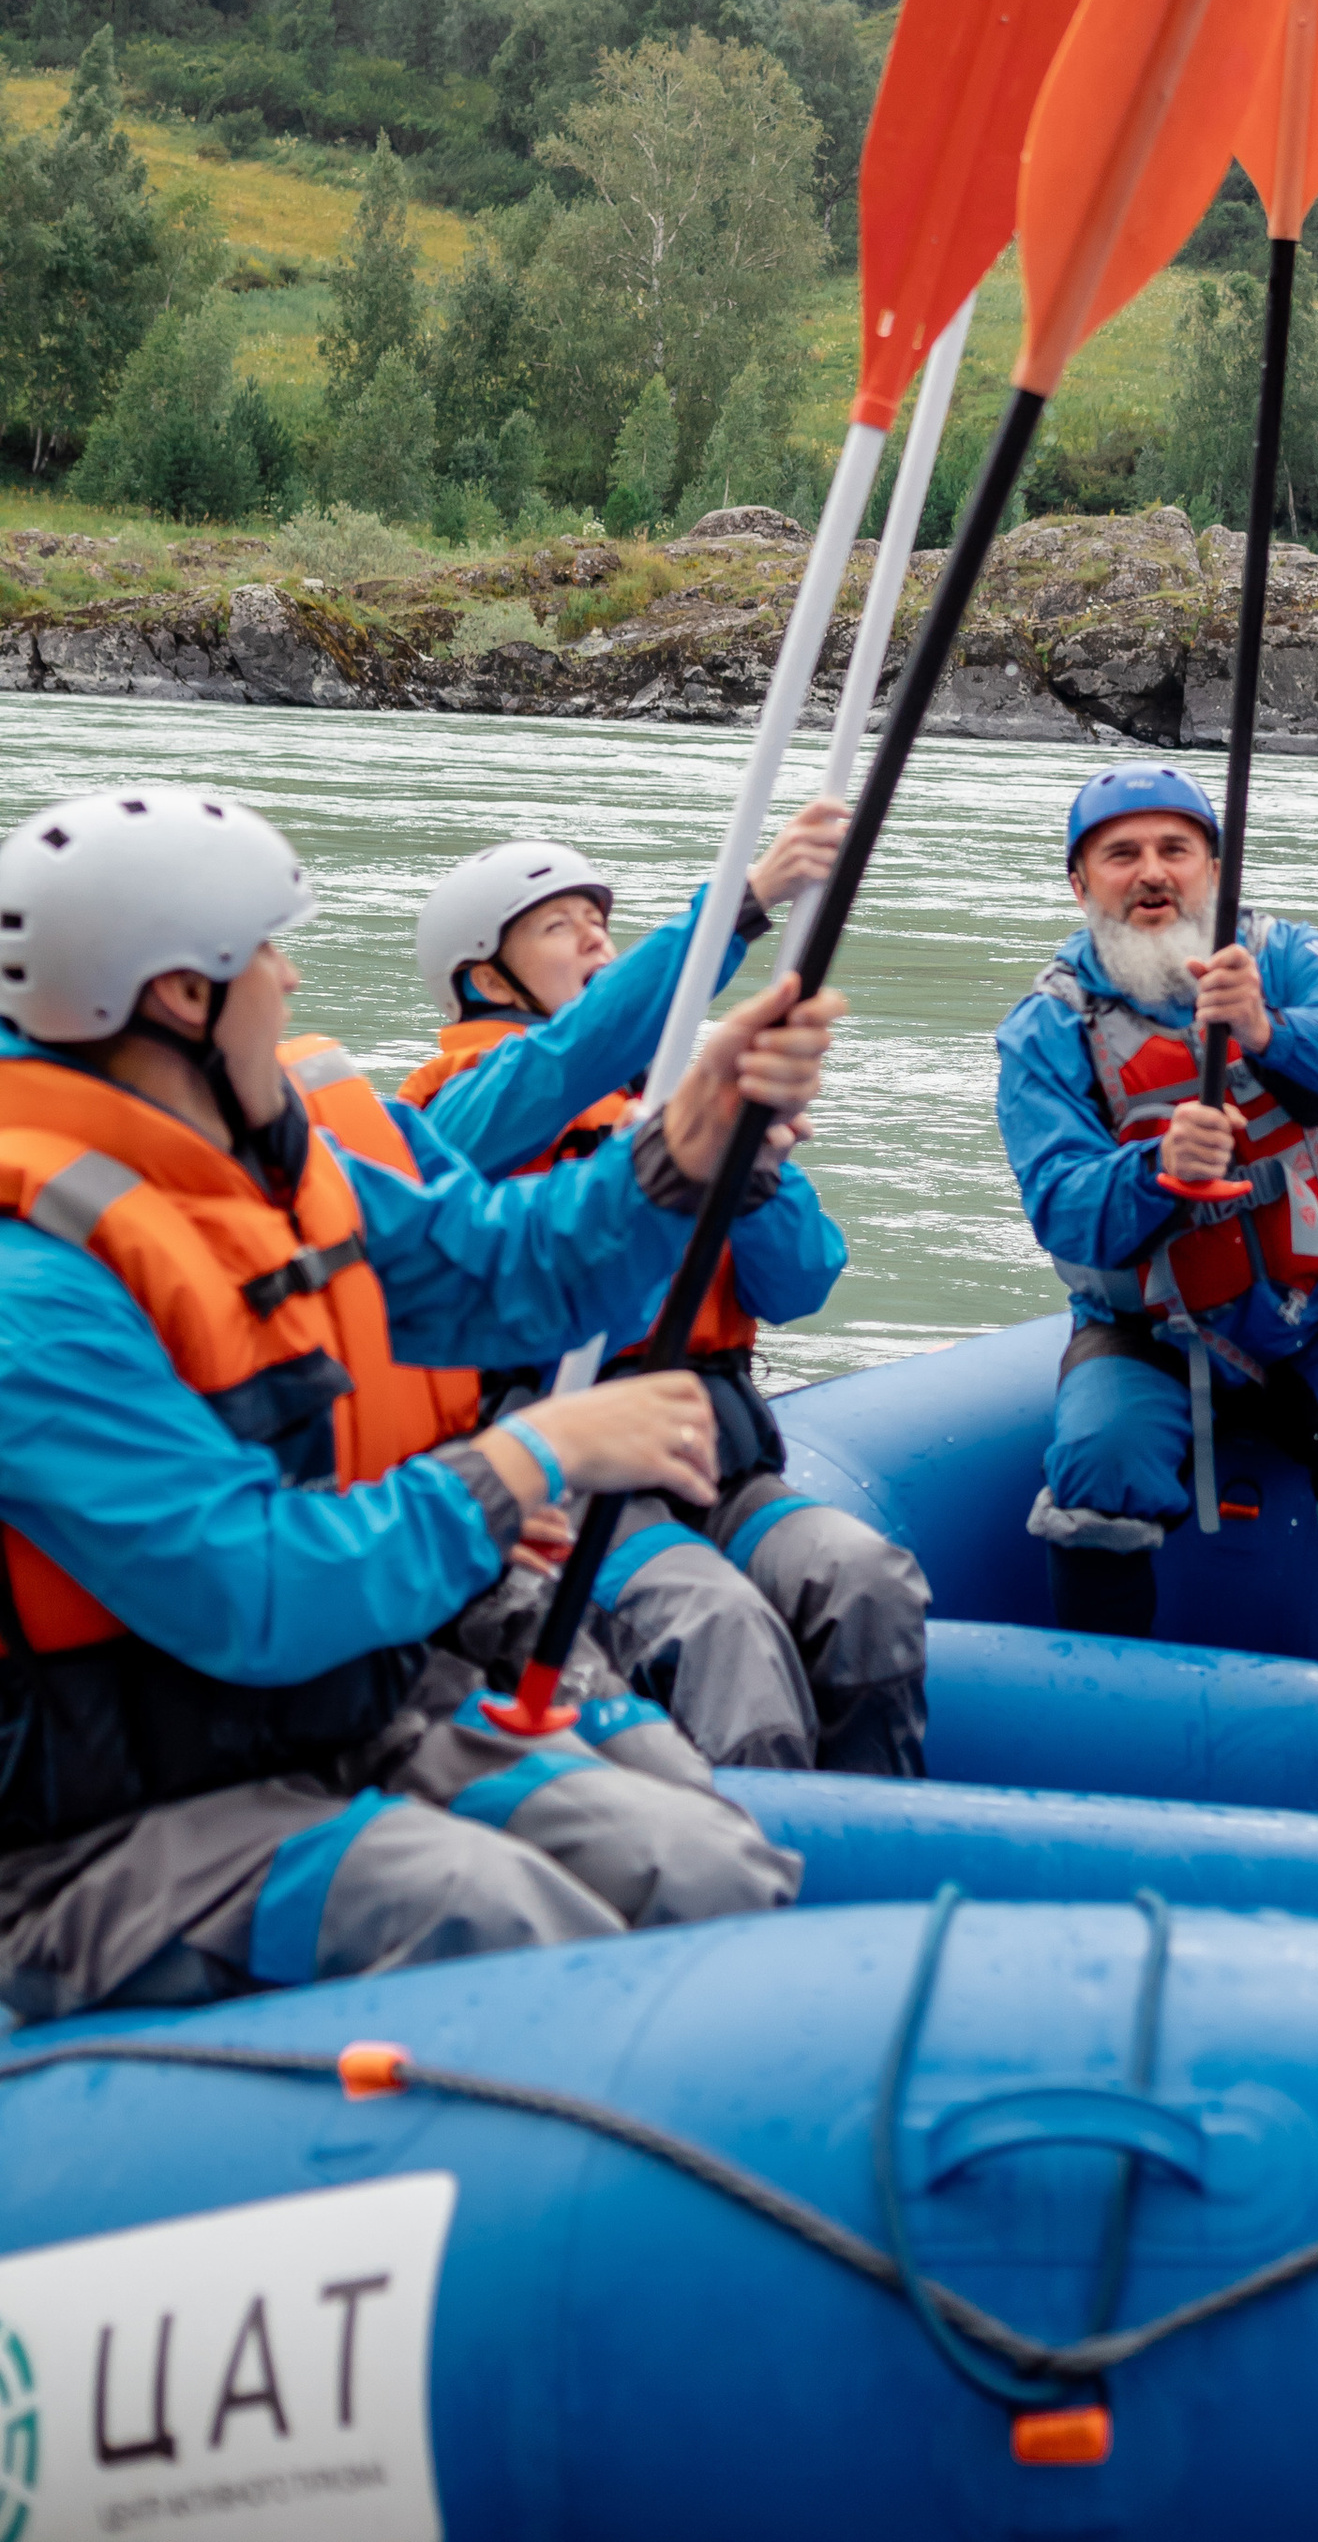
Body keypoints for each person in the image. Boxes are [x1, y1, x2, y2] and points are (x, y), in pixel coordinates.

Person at [0, 785, 834, 2021]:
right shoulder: (35, 1296)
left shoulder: (270, 1168)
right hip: (98, 1832)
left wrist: (685, 1155)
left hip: (338, 1722)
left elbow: (514, 1270)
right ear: (182, 1000)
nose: (288, 982)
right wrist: (526, 1460)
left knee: (703, 1871)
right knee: (488, 1913)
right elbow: (257, 1592)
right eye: (266, 955)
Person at [401, 815, 928, 1777]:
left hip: (717, 1468)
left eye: (602, 922)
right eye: (561, 926)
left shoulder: (683, 1100)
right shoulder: (459, 1110)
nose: (597, 938)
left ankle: (876, 1841)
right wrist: (743, 905)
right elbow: (565, 1064)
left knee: (867, 1582)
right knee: (724, 1632)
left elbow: (801, 1282)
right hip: (578, 1490)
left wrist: (752, 1172)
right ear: (486, 977)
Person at [995, 764, 1318, 1661]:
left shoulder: (1292, 960)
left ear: (1213, 869)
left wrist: (1270, 1032)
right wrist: (1159, 1171)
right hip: (1150, 1332)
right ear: (1082, 885)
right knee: (1095, 1470)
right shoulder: (1046, 1028)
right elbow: (1064, 1210)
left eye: (1176, 850)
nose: (1152, 872)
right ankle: (1104, 1718)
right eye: (1121, 855)